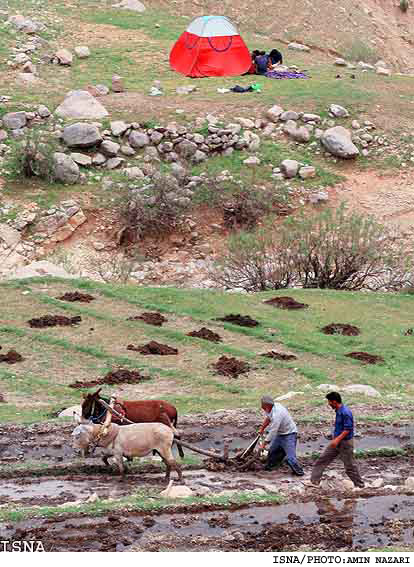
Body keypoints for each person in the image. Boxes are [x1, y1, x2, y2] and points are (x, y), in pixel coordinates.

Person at [311, 392, 364, 488]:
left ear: (334, 402)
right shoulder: (338, 411)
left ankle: (360, 486)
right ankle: (313, 482)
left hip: (345, 443)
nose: (328, 404)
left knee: (350, 466)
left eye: (329, 402)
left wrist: (336, 440)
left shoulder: (345, 412)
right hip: (337, 441)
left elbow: (348, 429)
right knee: (322, 459)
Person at [258, 395, 304, 475]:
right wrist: (262, 428)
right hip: (280, 434)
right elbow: (268, 418)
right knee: (272, 452)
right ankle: (270, 468)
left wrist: (263, 444)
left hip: (290, 434)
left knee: (290, 458)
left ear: (267, 406)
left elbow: (273, 431)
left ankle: (300, 473)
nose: (262, 408)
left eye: (263, 407)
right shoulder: (271, 408)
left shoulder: (277, 414)